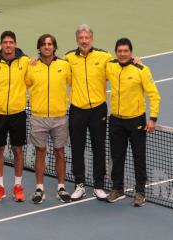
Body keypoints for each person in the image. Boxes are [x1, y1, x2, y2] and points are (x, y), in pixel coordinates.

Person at [105, 38, 161, 207]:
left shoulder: (141, 69)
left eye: (125, 51)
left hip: (136, 121)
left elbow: (154, 95)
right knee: (117, 157)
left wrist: (153, 118)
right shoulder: (110, 66)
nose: (122, 54)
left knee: (139, 158)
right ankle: (118, 189)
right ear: (116, 52)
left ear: (131, 52)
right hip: (116, 120)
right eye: (119, 51)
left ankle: (140, 192)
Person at [64, 24, 111, 201]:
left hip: (98, 109)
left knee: (99, 148)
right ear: (77, 40)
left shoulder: (104, 57)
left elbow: (118, 70)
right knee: (77, 148)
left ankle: (98, 186)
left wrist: (134, 62)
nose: (84, 41)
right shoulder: (68, 58)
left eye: (87, 38)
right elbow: (56, 71)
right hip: (77, 110)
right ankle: (80, 185)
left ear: (92, 39)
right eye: (81, 38)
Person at [25, 34, 72, 204]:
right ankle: (39, 188)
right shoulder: (31, 66)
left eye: (50, 44)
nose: (47, 47)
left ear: (54, 47)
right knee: (40, 152)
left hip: (59, 117)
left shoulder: (64, 65)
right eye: (44, 44)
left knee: (60, 152)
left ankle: (61, 188)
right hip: (38, 117)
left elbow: (74, 83)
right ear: (39, 47)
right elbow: (23, 83)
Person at [0, 31, 30, 202]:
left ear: (15, 43)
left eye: (11, 42)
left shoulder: (25, 62)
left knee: (18, 150)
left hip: (18, 113)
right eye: (5, 42)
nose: (8, 45)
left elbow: (31, 79)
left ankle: (18, 186)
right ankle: (0, 187)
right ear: (1, 45)